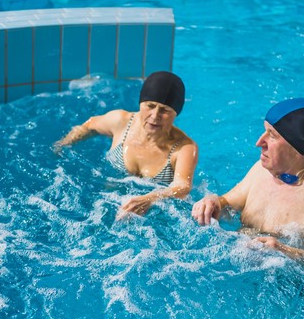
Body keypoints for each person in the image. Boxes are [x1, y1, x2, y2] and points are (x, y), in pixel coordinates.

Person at [191, 98, 304, 270]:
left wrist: (285, 252)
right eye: (265, 131)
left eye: (272, 135)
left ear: (296, 148)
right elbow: (226, 204)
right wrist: (213, 202)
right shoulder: (262, 169)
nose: (259, 142)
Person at [55, 71, 199, 216]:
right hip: (104, 203)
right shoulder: (121, 122)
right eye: (150, 106)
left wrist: (149, 199)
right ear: (141, 103)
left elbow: (183, 186)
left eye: (165, 110)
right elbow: (90, 125)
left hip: (153, 216)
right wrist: (63, 144)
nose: (155, 116)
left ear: (176, 113)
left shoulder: (184, 148)